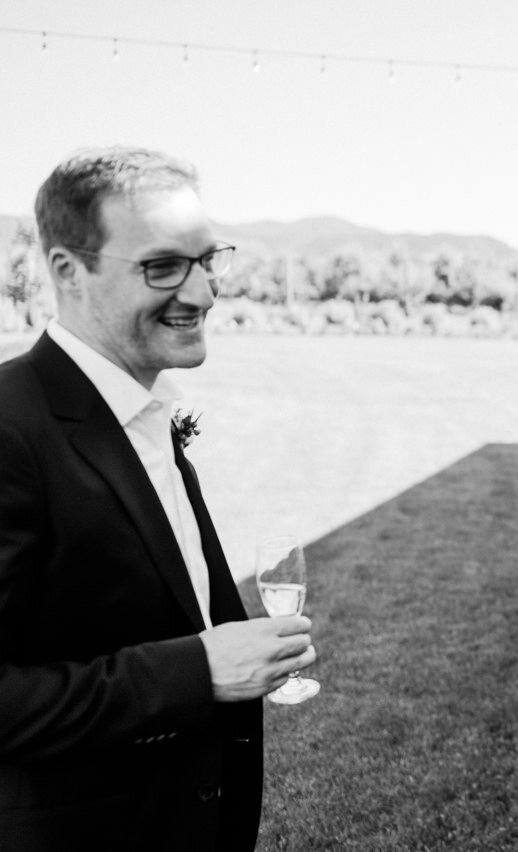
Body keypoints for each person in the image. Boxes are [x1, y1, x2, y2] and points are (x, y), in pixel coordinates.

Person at [0, 147, 317, 851]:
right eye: (163, 266)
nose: (203, 294)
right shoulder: (9, 427)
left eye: (208, 260)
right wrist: (198, 671)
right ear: (67, 272)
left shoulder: (144, 410)